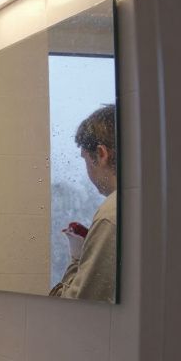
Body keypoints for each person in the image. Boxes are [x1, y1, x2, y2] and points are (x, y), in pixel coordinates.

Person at [51, 103, 118, 301]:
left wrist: (77, 259)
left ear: (101, 154)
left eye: (85, 159)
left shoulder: (112, 213)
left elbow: (76, 306)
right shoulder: (149, 201)